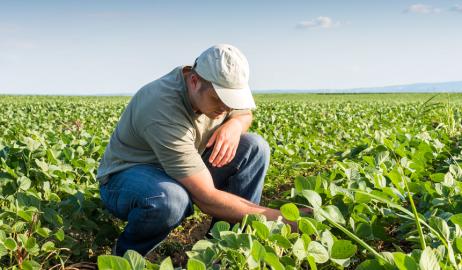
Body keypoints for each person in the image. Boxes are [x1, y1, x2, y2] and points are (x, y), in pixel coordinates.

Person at [97, 44, 297, 256]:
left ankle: (222, 250)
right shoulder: (160, 107)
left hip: (181, 168)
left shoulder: (214, 87)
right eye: (219, 99)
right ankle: (126, 256)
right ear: (194, 82)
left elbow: (244, 114)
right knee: (171, 199)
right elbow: (206, 198)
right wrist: (284, 221)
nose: (226, 108)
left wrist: (234, 125)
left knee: (255, 147)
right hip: (128, 177)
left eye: (232, 100)